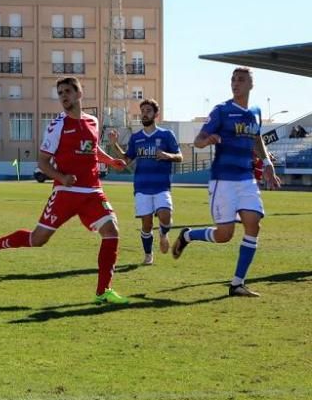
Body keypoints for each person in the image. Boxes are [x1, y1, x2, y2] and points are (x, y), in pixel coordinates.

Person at [0, 76, 130, 305]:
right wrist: (62, 178)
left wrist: (110, 161)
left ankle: (103, 292)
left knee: (112, 232)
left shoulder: (93, 122)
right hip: (65, 194)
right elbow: (43, 163)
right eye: (60, 93)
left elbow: (91, 148)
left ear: (79, 94)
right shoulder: (57, 126)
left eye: (68, 91)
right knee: (37, 240)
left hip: (93, 192)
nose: (64, 96)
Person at [173, 67, 281, 297]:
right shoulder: (222, 110)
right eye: (233, 79)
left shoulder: (256, 111)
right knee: (225, 235)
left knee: (254, 225)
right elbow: (198, 140)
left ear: (251, 84)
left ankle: (237, 284)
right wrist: (208, 140)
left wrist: (267, 163)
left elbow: (257, 137)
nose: (235, 83)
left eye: (241, 79)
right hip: (224, 180)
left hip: (246, 179)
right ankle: (187, 235)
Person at [107, 99, 183, 265]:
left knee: (166, 216)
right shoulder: (136, 137)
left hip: (162, 186)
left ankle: (163, 234)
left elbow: (180, 156)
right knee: (147, 224)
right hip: (142, 187)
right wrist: (114, 145)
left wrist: (167, 155)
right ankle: (148, 255)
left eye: (148, 110)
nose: (145, 113)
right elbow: (127, 160)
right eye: (143, 111)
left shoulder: (166, 135)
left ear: (156, 114)